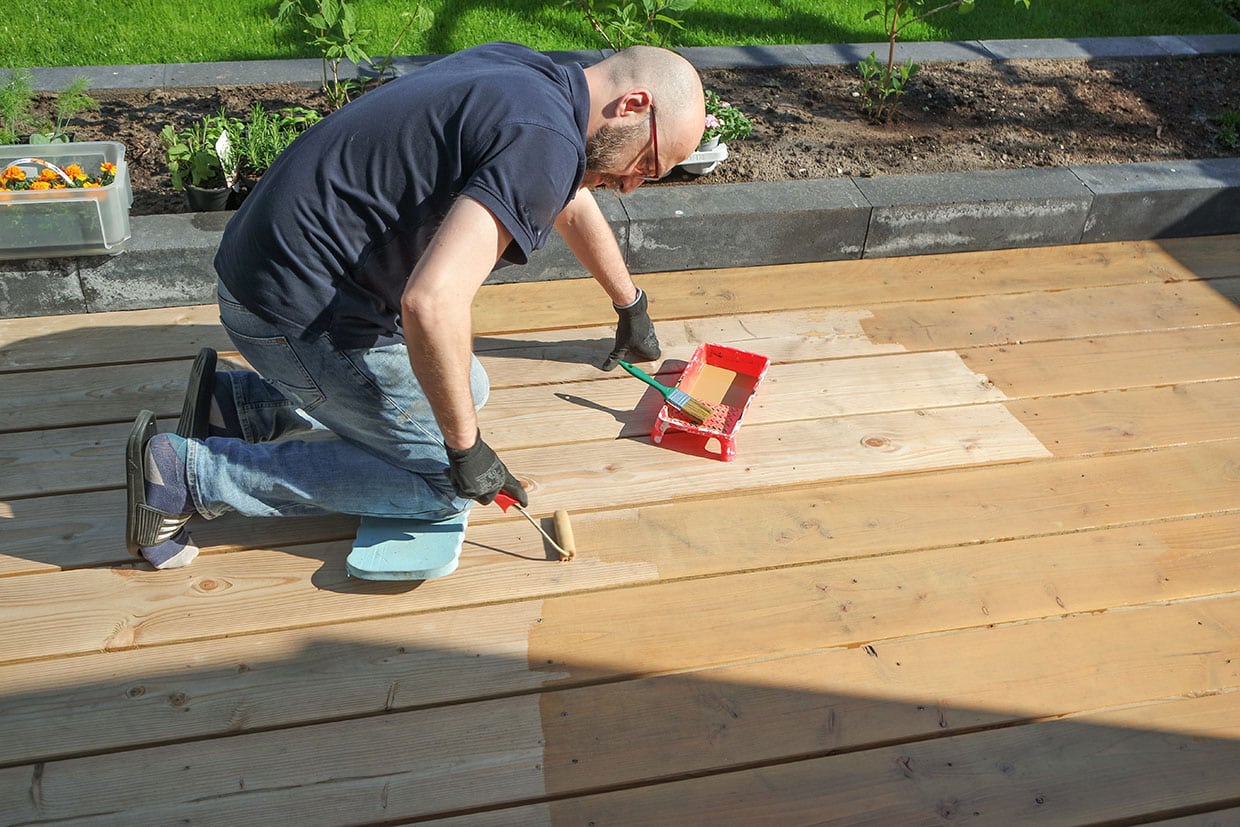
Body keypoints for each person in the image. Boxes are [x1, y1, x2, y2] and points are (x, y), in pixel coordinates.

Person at [125, 41, 707, 569]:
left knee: (466, 389)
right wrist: (466, 452)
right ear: (633, 104)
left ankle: (239, 406)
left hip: (268, 269)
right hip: (295, 311)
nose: (633, 185)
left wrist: (629, 303)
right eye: (647, 166)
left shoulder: (542, 76)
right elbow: (431, 304)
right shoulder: (545, 142)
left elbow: (568, 198)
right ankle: (187, 477)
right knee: (443, 487)